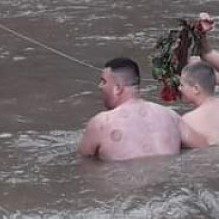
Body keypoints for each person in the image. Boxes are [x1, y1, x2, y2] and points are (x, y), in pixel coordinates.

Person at [78, 58, 207, 161]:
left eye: (103, 81)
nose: (100, 86)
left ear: (117, 88)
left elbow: (81, 163)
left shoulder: (101, 123)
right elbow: (204, 147)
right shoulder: (170, 116)